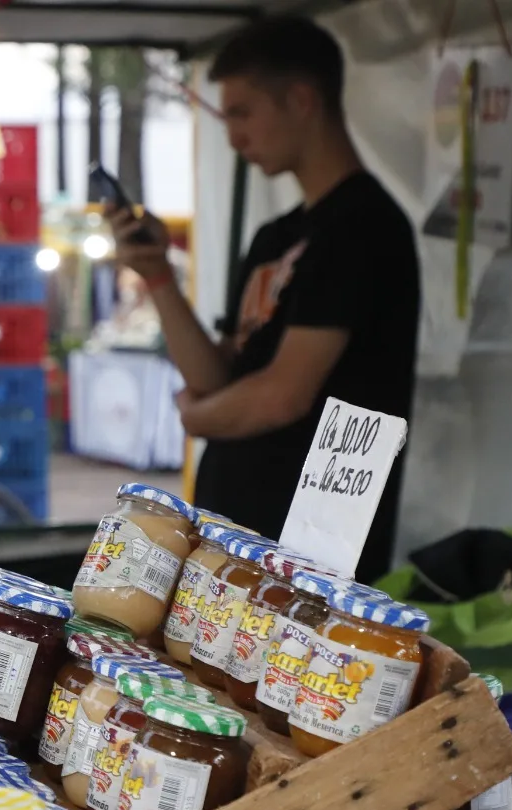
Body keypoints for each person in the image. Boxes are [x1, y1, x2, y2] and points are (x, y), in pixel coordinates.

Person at [107, 15, 419, 582]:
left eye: (243, 113)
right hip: (238, 533)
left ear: (301, 100)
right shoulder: (276, 236)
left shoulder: (362, 225)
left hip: (313, 554)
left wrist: (200, 418)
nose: (233, 136)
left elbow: (281, 396)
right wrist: (156, 276)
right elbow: (221, 377)